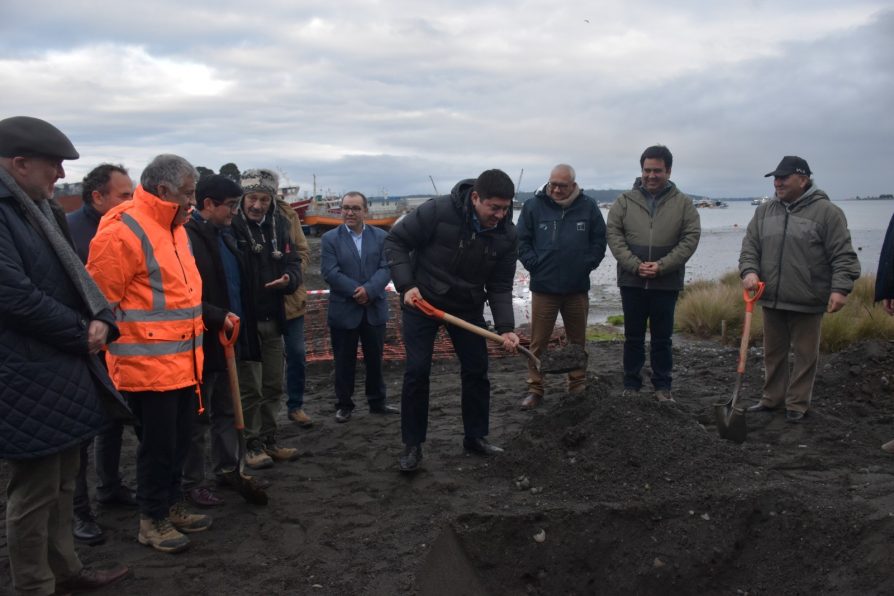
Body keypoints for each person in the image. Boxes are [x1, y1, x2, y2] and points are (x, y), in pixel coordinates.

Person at [0, 116, 129, 594]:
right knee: (32, 493)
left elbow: (77, 278)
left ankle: (67, 570)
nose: (60, 174)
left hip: (61, 368)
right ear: (19, 163)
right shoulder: (6, 211)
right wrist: (83, 331)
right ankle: (35, 584)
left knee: (62, 483)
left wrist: (102, 318)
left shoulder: (38, 209)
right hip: (23, 373)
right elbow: (13, 296)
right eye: (53, 165)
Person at [88, 154, 212, 553]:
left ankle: (170, 506)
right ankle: (152, 520)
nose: (193, 202)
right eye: (188, 194)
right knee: (156, 447)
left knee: (177, 441)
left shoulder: (175, 227)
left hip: (182, 362)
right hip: (146, 365)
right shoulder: (122, 230)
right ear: (164, 191)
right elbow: (100, 302)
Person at [385, 169, 520, 473]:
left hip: (467, 305)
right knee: (417, 372)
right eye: (493, 208)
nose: (499, 214)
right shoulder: (437, 210)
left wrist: (506, 329)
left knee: (477, 370)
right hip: (422, 300)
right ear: (475, 198)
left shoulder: (507, 235)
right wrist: (407, 286)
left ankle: (475, 437)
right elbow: (395, 241)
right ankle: (413, 445)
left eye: (505, 208)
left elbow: (500, 285)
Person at [741, 156, 860, 422]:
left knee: (806, 355)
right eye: (776, 178)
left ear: (803, 179)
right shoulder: (764, 211)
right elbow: (750, 248)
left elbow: (843, 255)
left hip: (808, 298)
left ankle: (797, 404)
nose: (778, 182)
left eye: (784, 177)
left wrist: (840, 289)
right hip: (770, 297)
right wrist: (749, 272)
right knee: (772, 353)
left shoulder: (827, 213)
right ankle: (771, 399)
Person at [67, 163, 137, 546]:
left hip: (118, 346)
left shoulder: (128, 228)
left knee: (112, 422)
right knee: (80, 433)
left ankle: (110, 488)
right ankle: (80, 511)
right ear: (98, 197)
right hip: (81, 347)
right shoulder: (70, 231)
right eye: (124, 195)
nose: (132, 201)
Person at [606, 145, 700, 402]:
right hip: (631, 281)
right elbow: (614, 236)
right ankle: (631, 384)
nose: (651, 175)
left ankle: (662, 386)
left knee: (662, 338)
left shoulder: (684, 204)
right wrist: (635, 265)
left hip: (666, 282)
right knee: (633, 336)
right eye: (647, 170)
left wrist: (663, 266)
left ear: (668, 171)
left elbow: (690, 239)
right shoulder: (624, 201)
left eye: (657, 170)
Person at [516, 164, 606, 409]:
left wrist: (586, 265)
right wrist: (534, 265)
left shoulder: (588, 207)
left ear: (573, 185)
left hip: (577, 288)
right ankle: (535, 389)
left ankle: (576, 384)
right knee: (538, 342)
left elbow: (599, 240)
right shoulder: (533, 206)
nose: (555, 189)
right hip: (544, 287)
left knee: (577, 340)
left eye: (562, 185)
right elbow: (521, 240)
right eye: (552, 183)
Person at [230, 168, 301, 469]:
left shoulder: (281, 224)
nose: (257, 205)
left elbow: (295, 260)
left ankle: (271, 439)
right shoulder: (230, 228)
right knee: (250, 387)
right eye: (252, 198)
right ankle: (250, 444)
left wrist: (290, 278)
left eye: (263, 199)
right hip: (245, 322)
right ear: (242, 198)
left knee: (273, 384)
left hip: (275, 317)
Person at [182, 175, 246, 507]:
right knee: (198, 417)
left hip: (224, 340)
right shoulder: (187, 238)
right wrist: (217, 315)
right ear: (208, 204)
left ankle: (227, 468)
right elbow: (184, 295)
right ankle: (192, 482)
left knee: (225, 409)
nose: (236, 212)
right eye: (231, 206)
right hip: (198, 344)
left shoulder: (223, 236)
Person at [321, 191, 397, 423]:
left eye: (355, 208)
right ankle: (344, 405)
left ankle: (377, 401)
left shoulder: (382, 237)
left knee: (375, 358)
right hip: (344, 309)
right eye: (345, 208)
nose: (349, 212)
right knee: (344, 360)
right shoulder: (330, 239)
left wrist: (370, 290)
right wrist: (358, 291)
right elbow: (330, 272)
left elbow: (387, 268)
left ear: (365, 211)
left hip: (374, 308)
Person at [275, 194, 313, 427]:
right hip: (256, 301)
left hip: (291, 298)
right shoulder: (237, 218)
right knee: (258, 361)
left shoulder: (289, 215)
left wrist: (292, 275)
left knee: (297, 354)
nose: (259, 204)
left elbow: (303, 252)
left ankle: (295, 406)